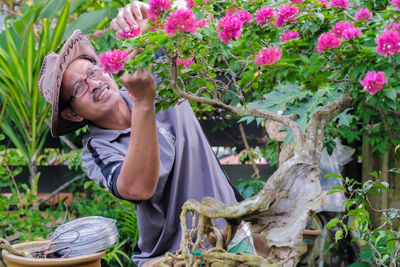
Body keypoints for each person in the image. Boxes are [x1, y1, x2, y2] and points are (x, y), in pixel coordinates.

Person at [38, 1, 242, 266]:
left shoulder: (153, 74)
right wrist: (144, 102)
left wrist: (151, 12)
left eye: (93, 71)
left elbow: (188, 16)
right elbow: (138, 188)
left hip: (234, 232)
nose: (93, 83)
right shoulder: (97, 149)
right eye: (78, 88)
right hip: (174, 258)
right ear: (74, 115)